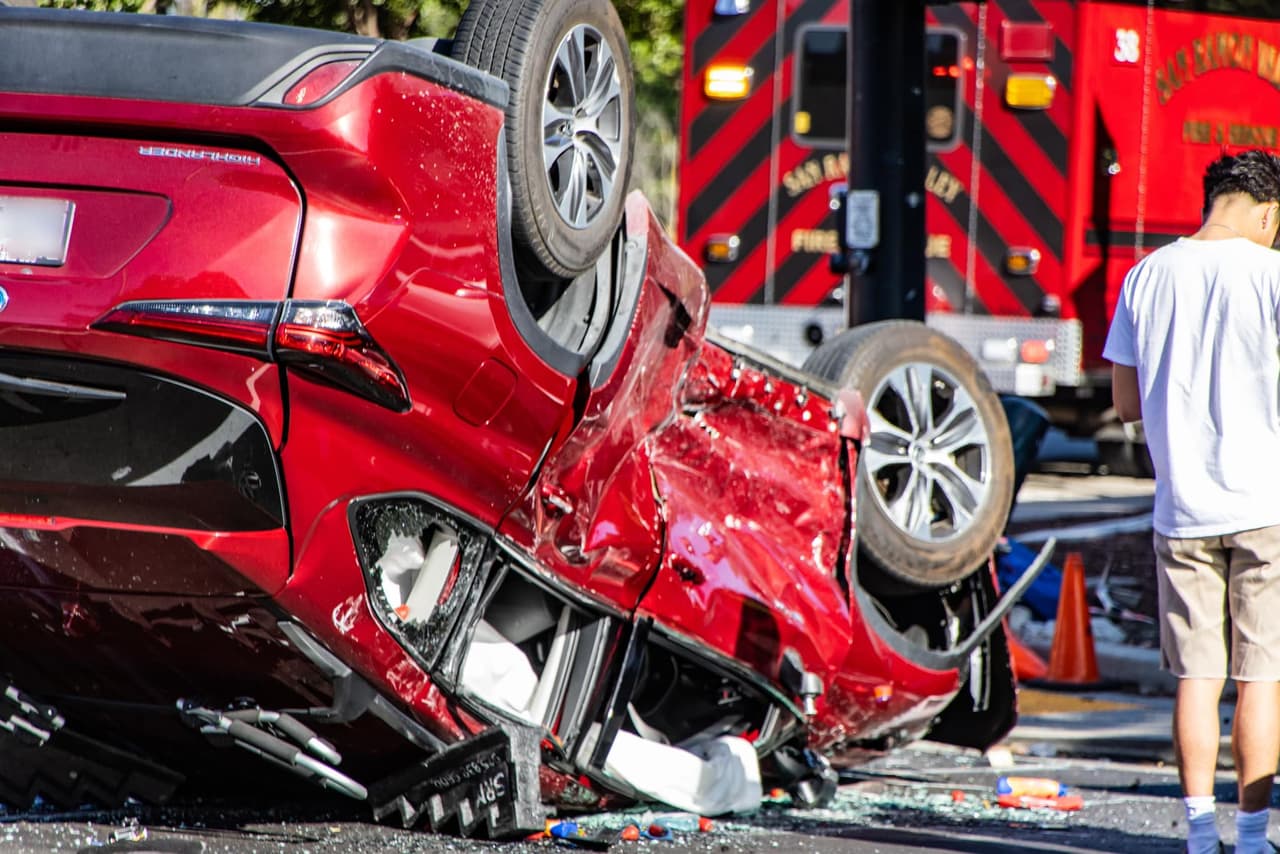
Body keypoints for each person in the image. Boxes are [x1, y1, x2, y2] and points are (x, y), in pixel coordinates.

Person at [1105, 148, 1280, 854]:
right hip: (1267, 506)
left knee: (1197, 678)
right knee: (1262, 679)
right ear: (1269, 211)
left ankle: (1201, 835)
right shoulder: (1271, 275)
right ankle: (1256, 835)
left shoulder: (1146, 275)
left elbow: (1123, 403)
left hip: (1181, 510)